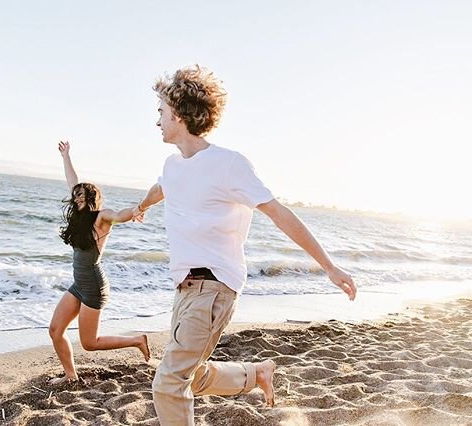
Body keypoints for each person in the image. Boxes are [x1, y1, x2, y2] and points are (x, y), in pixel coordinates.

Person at [133, 65, 357, 425]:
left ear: (178, 112)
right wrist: (139, 208)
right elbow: (161, 188)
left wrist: (328, 266)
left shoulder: (228, 165)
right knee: (192, 374)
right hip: (185, 289)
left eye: (160, 111)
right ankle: (257, 375)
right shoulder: (172, 165)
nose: (156, 120)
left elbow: (277, 212)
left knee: (169, 382)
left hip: (215, 287)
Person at [48, 141, 150, 385]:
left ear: (90, 198)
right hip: (78, 284)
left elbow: (118, 215)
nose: (75, 198)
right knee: (55, 330)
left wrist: (137, 209)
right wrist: (66, 156)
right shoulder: (80, 217)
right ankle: (71, 377)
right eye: (75, 196)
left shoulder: (100, 218)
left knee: (89, 343)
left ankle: (137, 340)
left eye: (80, 196)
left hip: (93, 285)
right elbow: (72, 181)